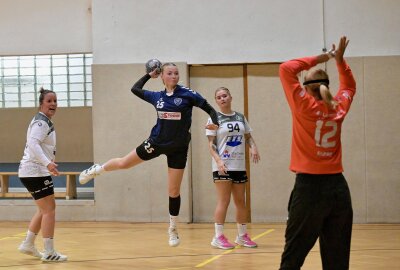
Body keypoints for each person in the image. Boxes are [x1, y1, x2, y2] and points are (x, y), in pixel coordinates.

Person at [79, 62, 219, 247]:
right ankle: (97, 169)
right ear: (162, 76)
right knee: (124, 163)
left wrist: (214, 122)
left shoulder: (188, 94)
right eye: (170, 73)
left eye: (176, 73)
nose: (174, 76)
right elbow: (135, 89)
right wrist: (148, 76)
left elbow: (210, 108)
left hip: (178, 147)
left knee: (174, 191)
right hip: (156, 143)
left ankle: (173, 229)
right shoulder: (157, 97)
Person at [278, 36, 356, 270]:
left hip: (309, 190)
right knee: (337, 259)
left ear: (305, 89)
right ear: (327, 86)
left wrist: (323, 58)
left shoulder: (304, 105)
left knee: (293, 256)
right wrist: (340, 61)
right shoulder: (339, 106)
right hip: (338, 190)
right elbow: (349, 86)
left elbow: (286, 68)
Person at [205, 87, 260, 250]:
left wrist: (253, 147)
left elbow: (248, 137)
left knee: (240, 201)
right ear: (216, 101)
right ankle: (218, 236)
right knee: (224, 200)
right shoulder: (213, 118)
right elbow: (210, 144)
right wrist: (219, 161)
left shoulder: (240, 117)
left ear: (230, 97)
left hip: (239, 165)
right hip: (222, 165)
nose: (222, 99)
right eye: (219, 97)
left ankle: (242, 236)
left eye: (225, 95)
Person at [18, 88, 67, 262]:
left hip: (34, 171)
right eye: (49, 101)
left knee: (44, 209)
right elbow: (33, 144)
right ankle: (49, 251)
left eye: (55, 101)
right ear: (41, 103)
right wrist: (47, 163)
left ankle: (28, 244)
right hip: (34, 171)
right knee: (49, 210)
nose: (53, 104)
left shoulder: (43, 120)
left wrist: (48, 164)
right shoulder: (41, 122)